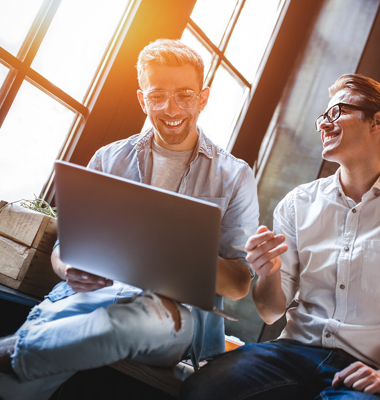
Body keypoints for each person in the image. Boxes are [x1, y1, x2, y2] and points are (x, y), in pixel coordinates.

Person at [0, 39, 259, 400]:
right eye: (157, 96)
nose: (171, 109)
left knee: (117, 326)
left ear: (203, 98)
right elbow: (65, 249)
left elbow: (239, 284)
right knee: (17, 382)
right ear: (142, 99)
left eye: (185, 95)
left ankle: (10, 350)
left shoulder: (234, 175)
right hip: (88, 296)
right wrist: (67, 269)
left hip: (172, 316)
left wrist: (179, 247)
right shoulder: (109, 159)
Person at [179, 73, 380, 400]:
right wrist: (270, 271)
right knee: (203, 389)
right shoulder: (299, 203)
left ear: (376, 121)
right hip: (292, 353)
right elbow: (271, 311)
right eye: (322, 117)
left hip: (366, 367)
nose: (324, 125)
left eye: (337, 112)